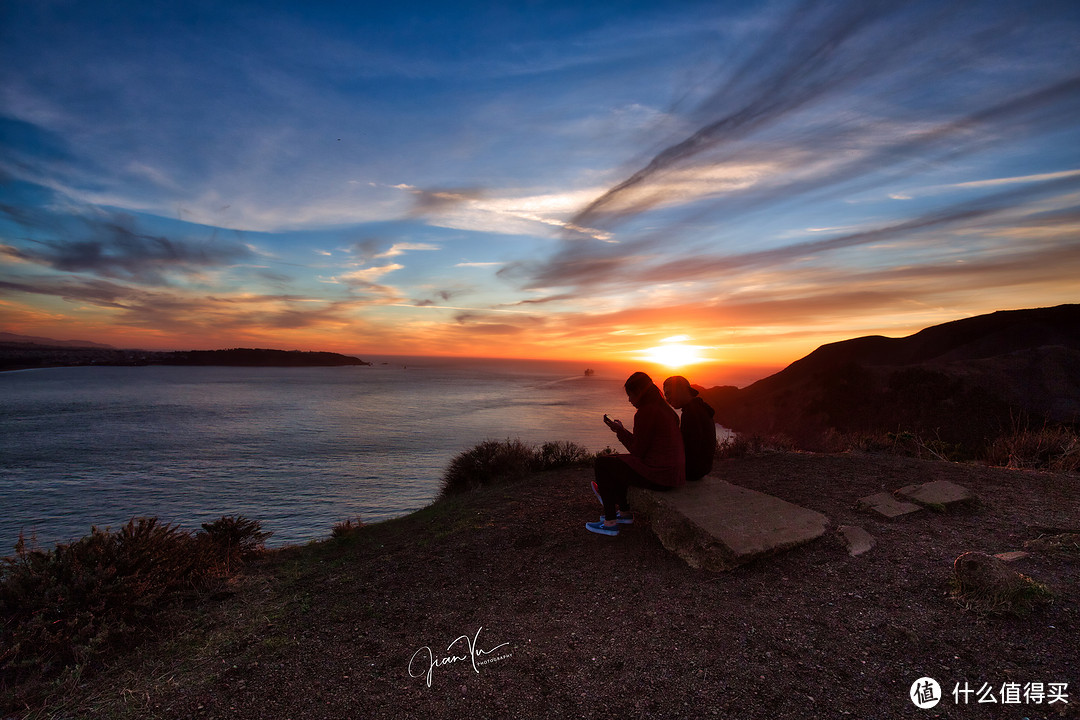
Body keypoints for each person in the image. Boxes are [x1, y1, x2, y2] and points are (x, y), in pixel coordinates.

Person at [587, 371, 685, 536]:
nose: (629, 399)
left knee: (602, 464)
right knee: (614, 461)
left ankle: (610, 522)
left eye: (630, 395)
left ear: (640, 392)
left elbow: (637, 451)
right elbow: (644, 445)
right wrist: (622, 430)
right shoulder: (666, 410)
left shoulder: (646, 413)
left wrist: (620, 432)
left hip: (660, 475)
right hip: (673, 473)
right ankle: (624, 513)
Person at [663, 375, 717, 482]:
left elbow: (689, 449)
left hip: (692, 471)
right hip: (702, 469)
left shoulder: (691, 413)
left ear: (681, 390)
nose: (667, 399)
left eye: (669, 393)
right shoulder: (699, 408)